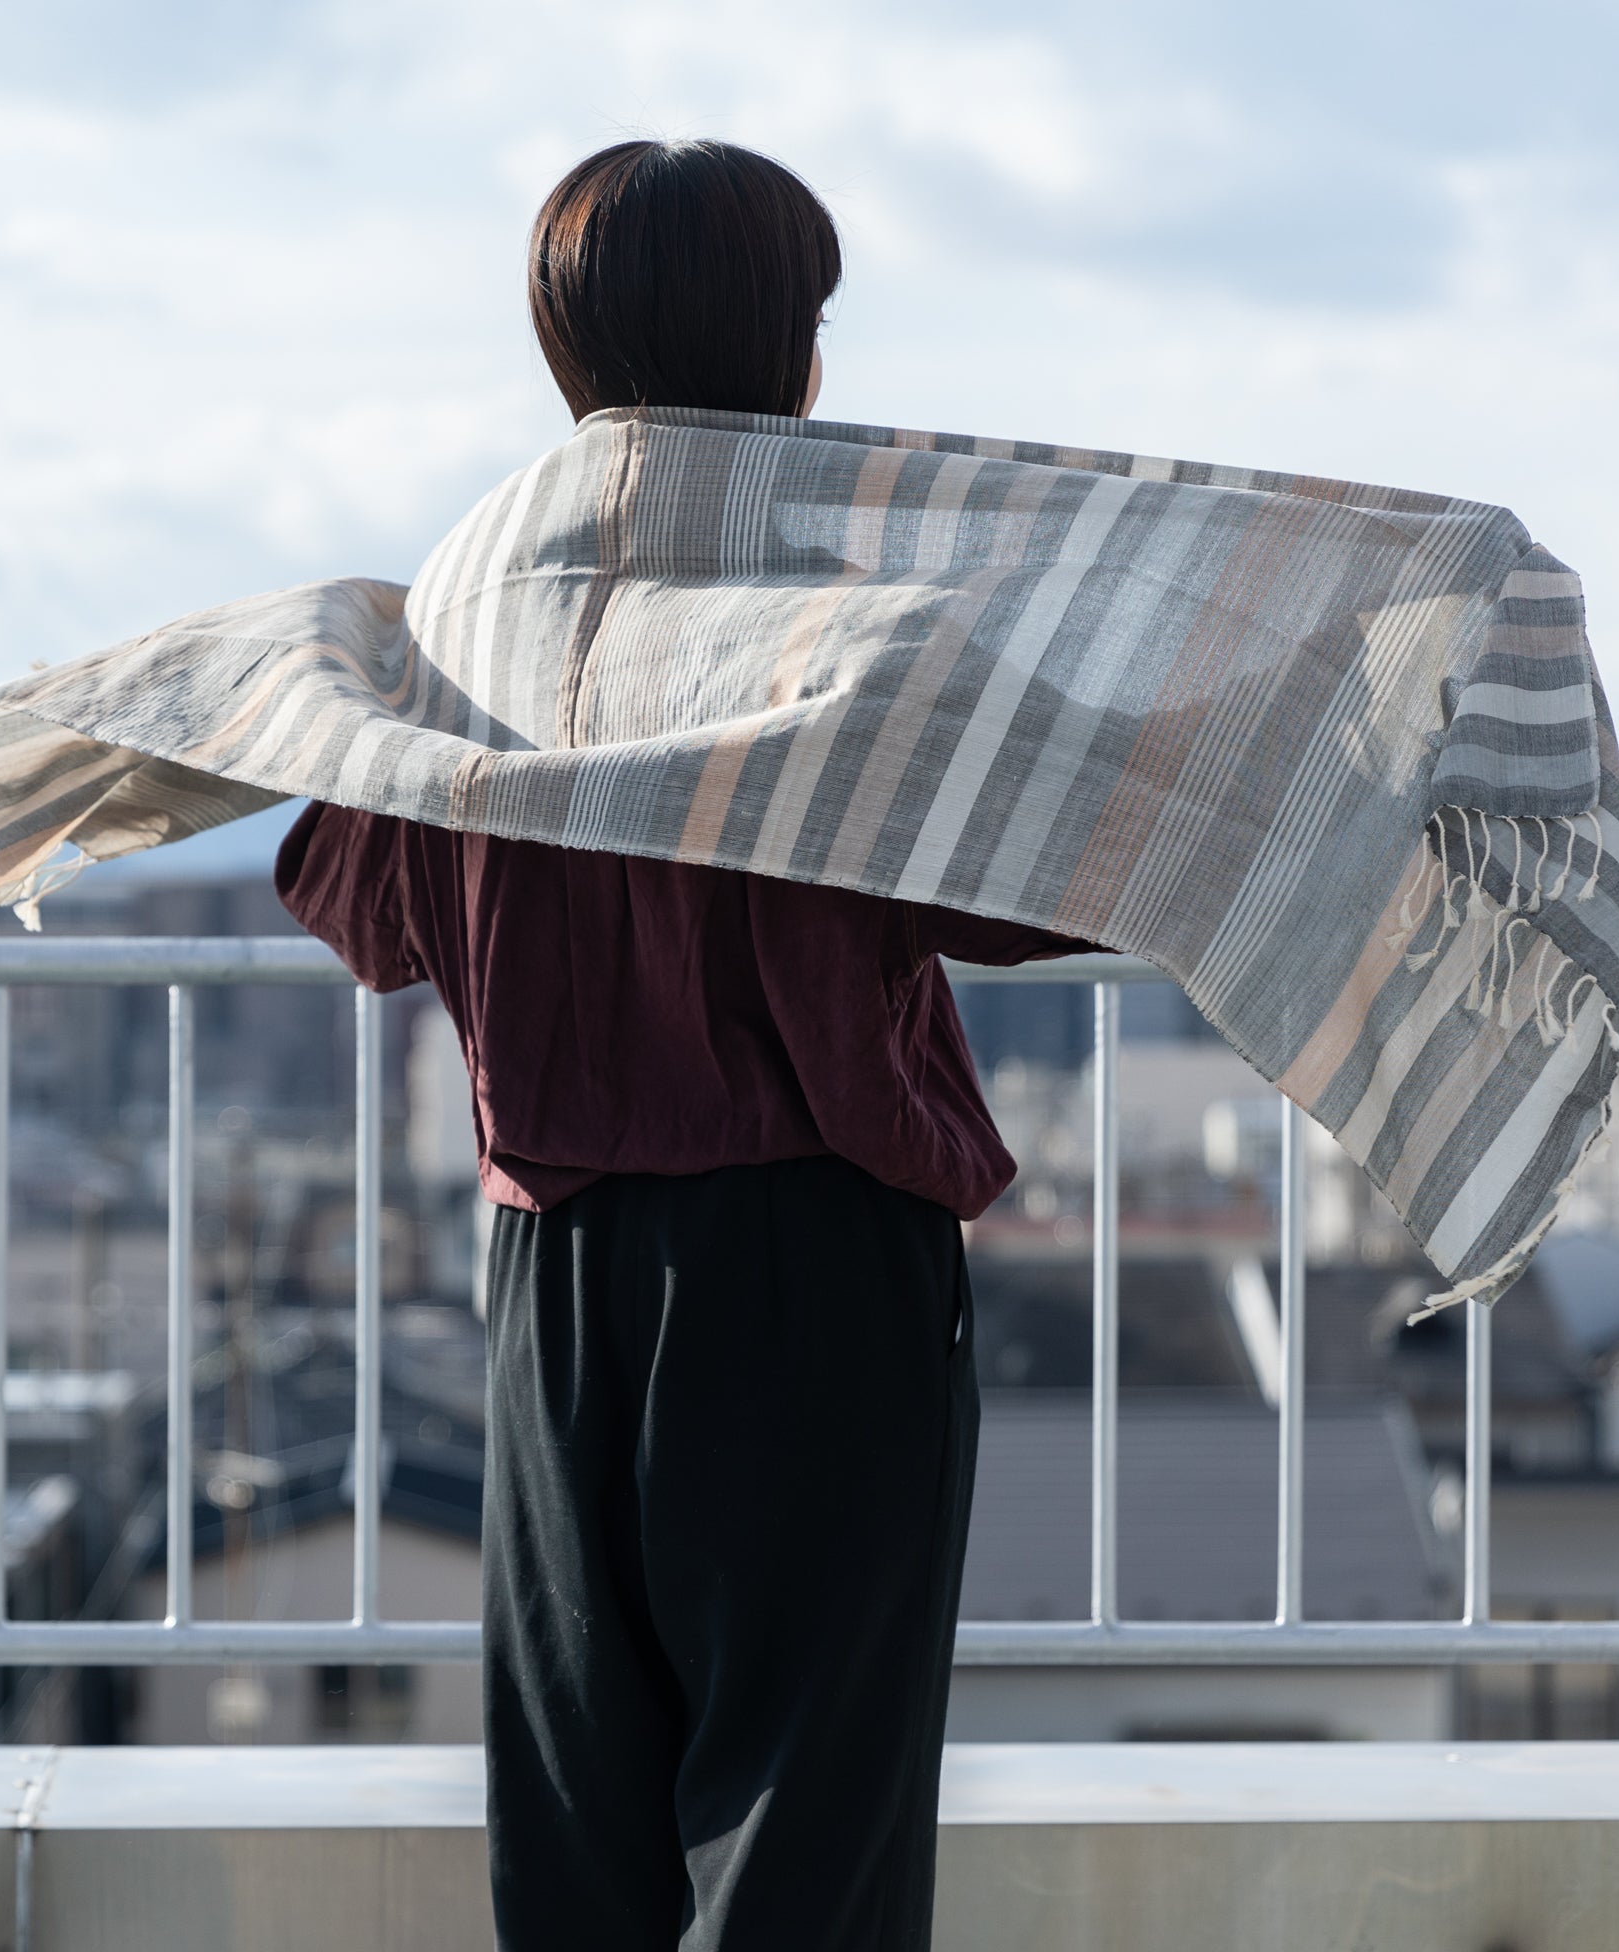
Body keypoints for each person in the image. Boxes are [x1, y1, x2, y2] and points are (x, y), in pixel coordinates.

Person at [276, 138, 1094, 1952]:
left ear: (565, 354)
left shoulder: (473, 606)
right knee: (811, 1840)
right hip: (818, 1262)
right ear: (790, 358)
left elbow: (355, 895)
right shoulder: (840, 615)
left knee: (578, 1839)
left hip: (553, 1272)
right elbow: (1057, 880)